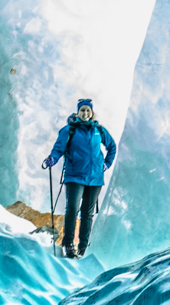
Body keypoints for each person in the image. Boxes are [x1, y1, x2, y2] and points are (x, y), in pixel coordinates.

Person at [42, 98, 116, 259]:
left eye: (88, 110)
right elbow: (58, 149)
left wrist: (106, 164)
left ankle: (83, 247)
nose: (85, 113)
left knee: (87, 214)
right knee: (72, 210)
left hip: (95, 178)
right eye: (82, 110)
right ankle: (68, 244)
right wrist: (52, 159)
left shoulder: (99, 130)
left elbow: (112, 147)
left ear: (91, 113)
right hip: (75, 176)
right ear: (77, 113)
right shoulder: (69, 130)